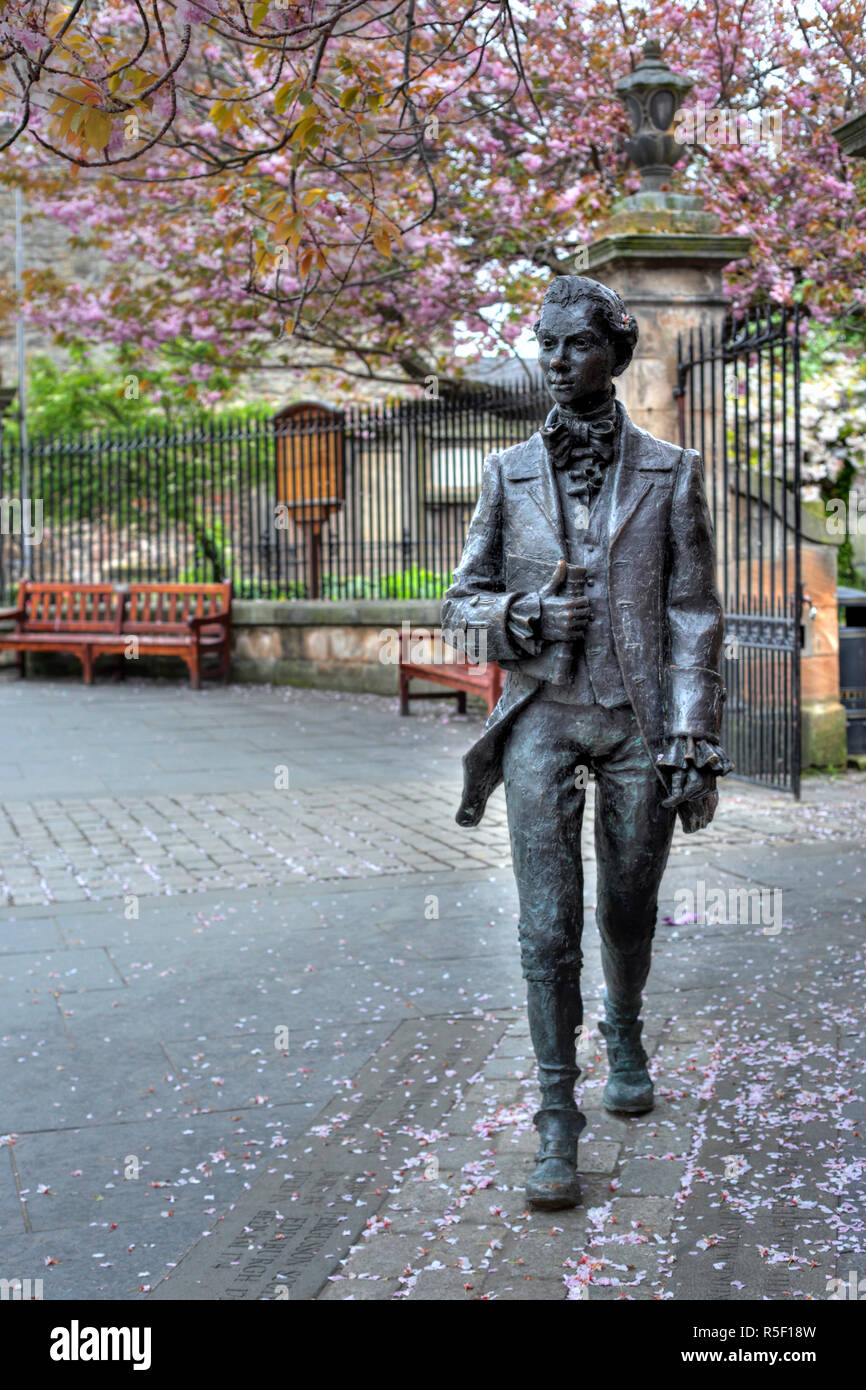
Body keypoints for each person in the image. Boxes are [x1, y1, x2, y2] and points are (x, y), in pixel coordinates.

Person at [442, 276, 732, 1209]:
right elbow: (458, 607)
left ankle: (627, 1026)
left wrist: (692, 726)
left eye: (575, 345)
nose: (557, 362)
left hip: (639, 724)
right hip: (542, 722)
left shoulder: (673, 470)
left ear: (617, 349)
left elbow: (692, 612)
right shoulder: (506, 472)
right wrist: (523, 615)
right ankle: (556, 1120)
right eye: (547, 345)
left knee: (627, 908)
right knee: (546, 925)